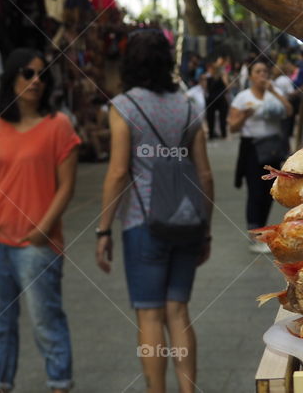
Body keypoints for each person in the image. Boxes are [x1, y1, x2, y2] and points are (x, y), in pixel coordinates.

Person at [0, 48, 81, 393]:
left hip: (37, 244)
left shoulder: (58, 125)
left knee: (45, 320)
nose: (35, 81)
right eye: (28, 73)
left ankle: (59, 383)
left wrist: (43, 229)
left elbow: (67, 186)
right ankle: (0, 383)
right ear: (12, 78)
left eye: (41, 75)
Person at [95, 31, 214, 393]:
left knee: (149, 315)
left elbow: (118, 172)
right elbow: (205, 175)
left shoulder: (124, 106)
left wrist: (103, 229)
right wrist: (205, 229)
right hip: (187, 223)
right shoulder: (188, 107)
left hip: (143, 224)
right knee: (178, 311)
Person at [228, 59, 293, 253]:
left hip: (272, 148)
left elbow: (289, 111)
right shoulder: (243, 97)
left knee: (269, 192)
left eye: (265, 71)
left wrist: (273, 92)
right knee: (255, 191)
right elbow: (232, 126)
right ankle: (254, 235)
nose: (262, 75)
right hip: (252, 148)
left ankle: (261, 231)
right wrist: (245, 116)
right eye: (258, 72)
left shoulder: (274, 93)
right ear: (250, 76)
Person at [203, 56, 230, 139]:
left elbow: (205, 89)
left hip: (217, 98)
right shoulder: (208, 76)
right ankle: (216, 133)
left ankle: (220, 133)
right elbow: (227, 87)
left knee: (220, 117)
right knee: (213, 117)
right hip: (215, 98)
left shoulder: (221, 75)